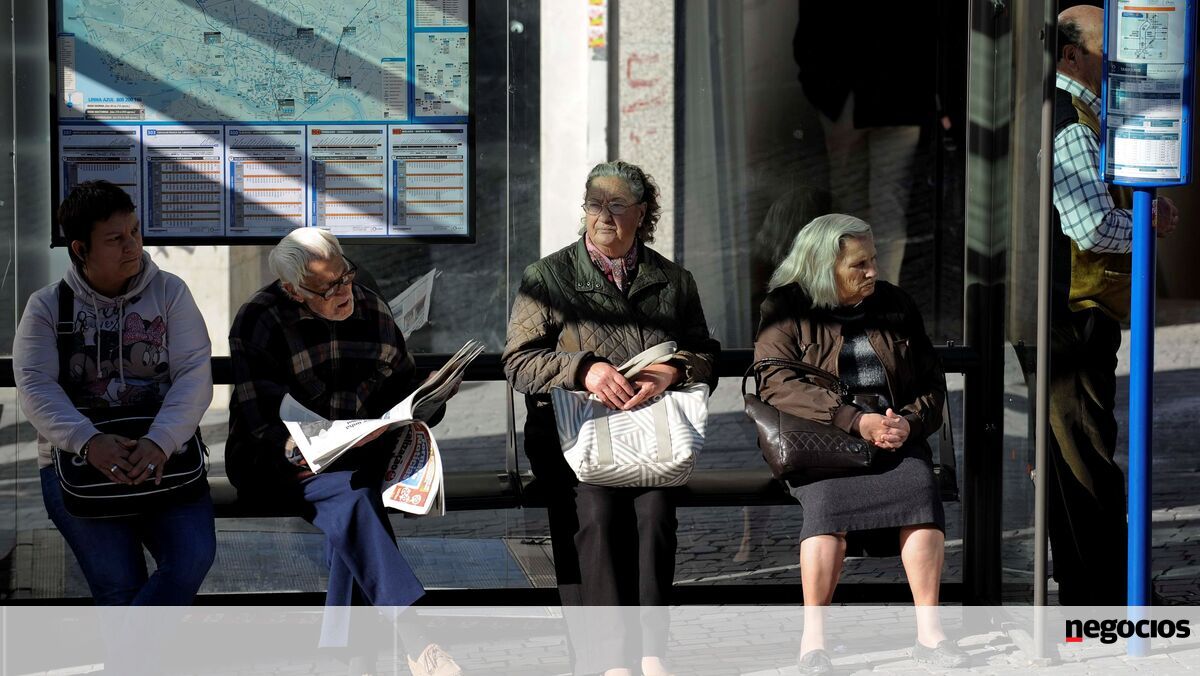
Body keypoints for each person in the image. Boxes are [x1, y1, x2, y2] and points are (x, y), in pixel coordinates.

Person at [503, 160, 720, 676]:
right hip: (573, 433)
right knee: (596, 516)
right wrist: (584, 369)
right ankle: (608, 661)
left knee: (654, 515)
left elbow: (707, 354)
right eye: (594, 203)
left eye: (617, 204)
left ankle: (650, 653)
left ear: (642, 214)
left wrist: (672, 370)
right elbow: (517, 362)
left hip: (649, 433)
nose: (603, 215)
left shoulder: (672, 279)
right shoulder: (549, 276)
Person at [225, 228, 459, 676]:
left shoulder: (370, 306)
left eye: (345, 276)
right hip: (275, 459)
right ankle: (415, 637)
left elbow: (401, 385)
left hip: (356, 454)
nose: (343, 291)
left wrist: (429, 399)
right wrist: (312, 447)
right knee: (353, 495)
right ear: (294, 290)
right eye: (326, 287)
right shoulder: (260, 318)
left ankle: (346, 662)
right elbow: (261, 421)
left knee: (354, 500)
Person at [754, 214, 966, 673]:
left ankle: (930, 633)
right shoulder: (785, 308)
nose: (872, 271)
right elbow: (775, 382)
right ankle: (815, 642)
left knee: (919, 491)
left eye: (873, 260)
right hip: (822, 441)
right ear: (822, 267)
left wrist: (908, 423)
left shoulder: (895, 304)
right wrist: (854, 419)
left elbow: (931, 381)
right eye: (859, 264)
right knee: (826, 509)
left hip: (892, 433)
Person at [1046, 5, 1179, 605]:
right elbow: (1092, 227)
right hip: (1072, 317)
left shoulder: (1083, 118)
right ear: (1072, 55)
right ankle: (1101, 597)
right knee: (1086, 460)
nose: (1119, 62)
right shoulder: (1071, 123)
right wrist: (1145, 221)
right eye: (1108, 49)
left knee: (1078, 456)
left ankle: (1094, 588)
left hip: (1073, 313)